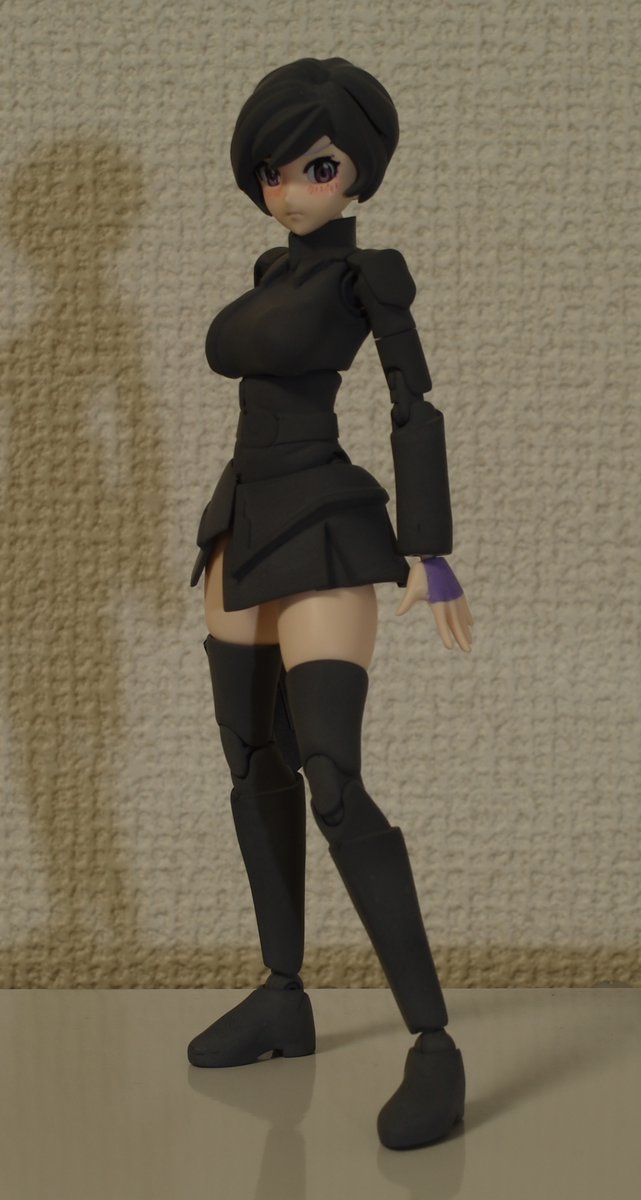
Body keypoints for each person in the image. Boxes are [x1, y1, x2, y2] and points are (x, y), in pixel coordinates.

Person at [187, 57, 473, 1151]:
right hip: (241, 520)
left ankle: (432, 1044)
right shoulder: (270, 267)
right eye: (274, 170)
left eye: (313, 167)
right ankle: (282, 994)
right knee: (248, 761)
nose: (289, 190)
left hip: (319, 525)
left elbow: (414, 404)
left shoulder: (367, 277)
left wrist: (428, 550)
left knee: (332, 780)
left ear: (357, 174)